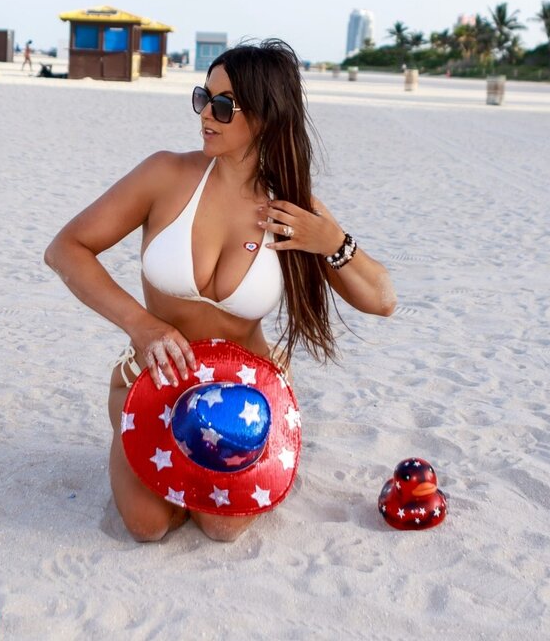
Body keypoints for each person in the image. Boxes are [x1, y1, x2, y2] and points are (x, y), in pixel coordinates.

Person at [44, 39, 396, 543]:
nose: (206, 114)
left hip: (243, 402)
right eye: (203, 98)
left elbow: (382, 299)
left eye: (224, 105)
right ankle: (137, 445)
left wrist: (332, 242)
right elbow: (66, 249)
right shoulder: (166, 174)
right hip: (155, 380)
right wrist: (142, 325)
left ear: (266, 117)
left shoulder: (292, 209)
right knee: (147, 526)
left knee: (223, 528)